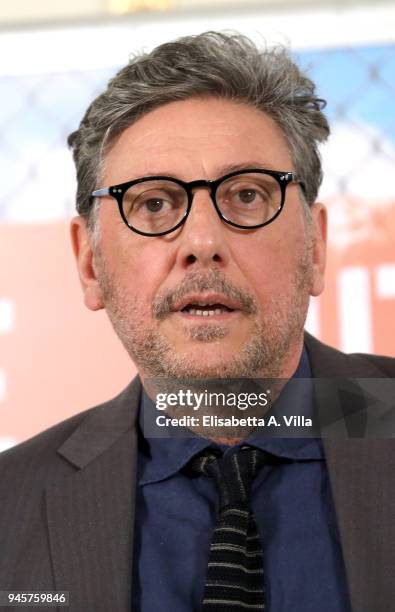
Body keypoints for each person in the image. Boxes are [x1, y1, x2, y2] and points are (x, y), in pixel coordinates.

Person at [0, 31, 394, 612]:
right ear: (89, 264)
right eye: (153, 203)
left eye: (248, 195)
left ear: (315, 246)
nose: (203, 242)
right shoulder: (10, 505)